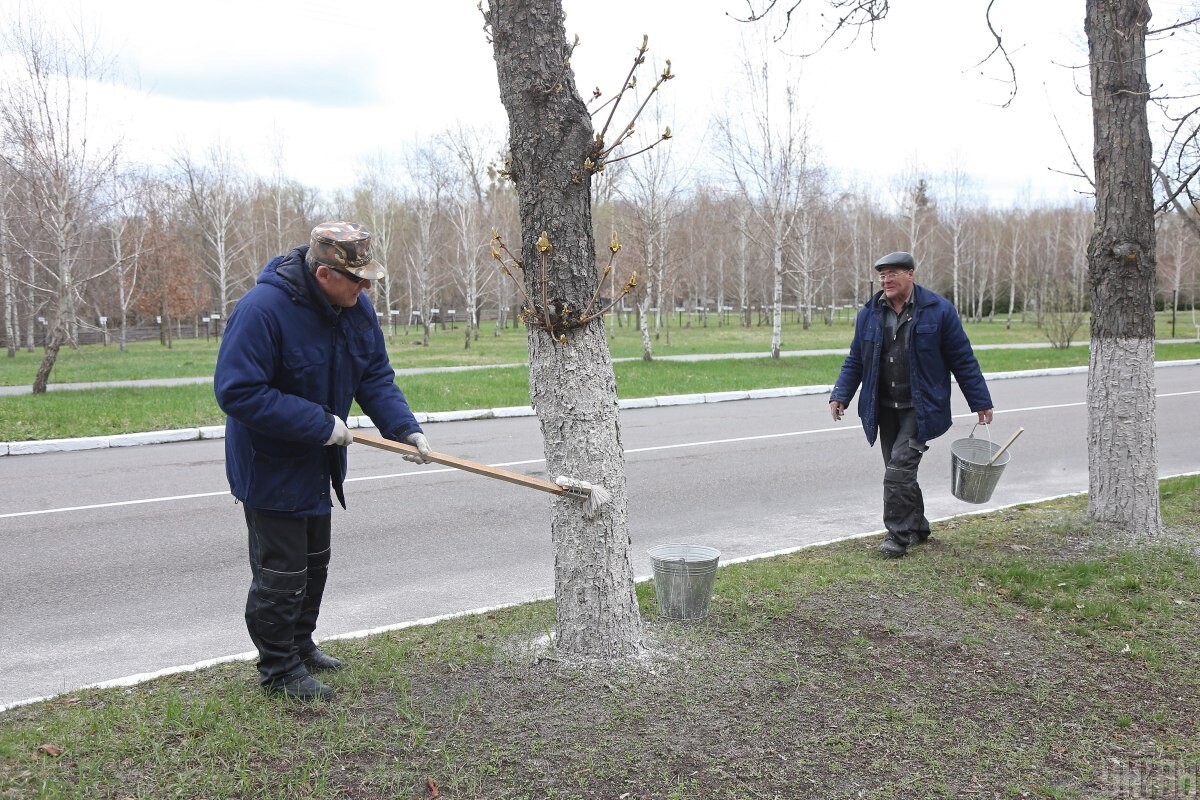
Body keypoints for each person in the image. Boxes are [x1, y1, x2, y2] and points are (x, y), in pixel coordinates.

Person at [214, 221, 432, 700]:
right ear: (323, 274)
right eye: (357, 279)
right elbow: (237, 391)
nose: (366, 287)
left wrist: (403, 427)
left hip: (319, 461)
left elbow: (373, 375)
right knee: (282, 574)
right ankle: (278, 670)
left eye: (368, 279)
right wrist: (319, 423)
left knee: (315, 564)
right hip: (271, 463)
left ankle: (300, 644)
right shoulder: (263, 310)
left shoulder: (355, 309)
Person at [829, 251, 994, 559]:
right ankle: (917, 525)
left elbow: (962, 358)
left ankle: (898, 535)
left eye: (892, 274)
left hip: (921, 407)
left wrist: (980, 400)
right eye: (882, 275)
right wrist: (841, 394)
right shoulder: (869, 313)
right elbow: (856, 359)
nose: (886, 280)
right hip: (884, 408)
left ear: (911, 274)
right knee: (900, 471)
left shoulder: (938, 310)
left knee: (897, 470)